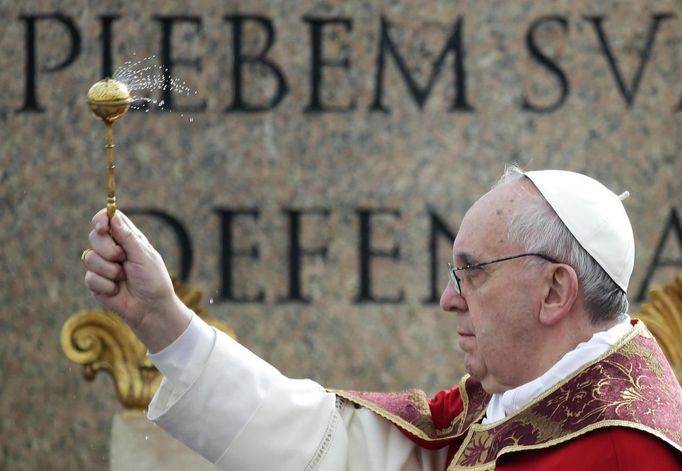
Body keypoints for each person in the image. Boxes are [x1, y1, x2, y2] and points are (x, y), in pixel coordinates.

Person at [82, 165, 682, 470]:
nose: (450, 300)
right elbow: (334, 447)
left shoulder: (629, 452)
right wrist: (165, 324)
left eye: (472, 273)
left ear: (554, 292)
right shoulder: (509, 407)